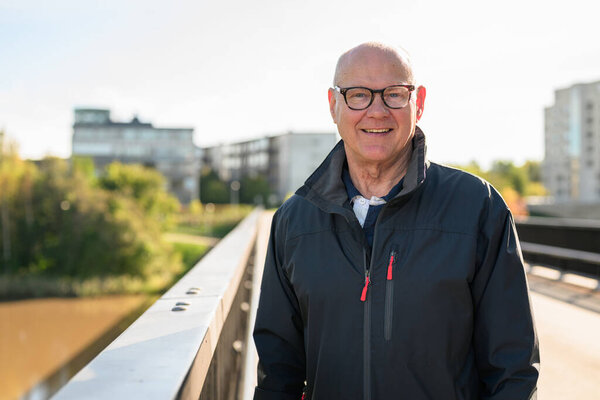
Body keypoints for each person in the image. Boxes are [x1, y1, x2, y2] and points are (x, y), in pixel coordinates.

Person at [253, 42, 539, 400]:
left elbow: (513, 369)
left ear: (417, 103)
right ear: (334, 105)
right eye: (358, 95)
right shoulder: (293, 221)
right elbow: (278, 374)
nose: (377, 111)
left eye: (394, 94)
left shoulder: (478, 207)